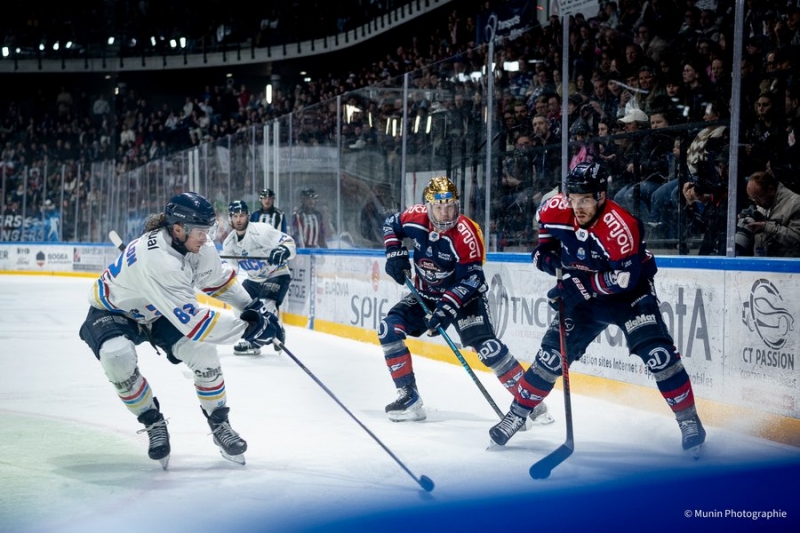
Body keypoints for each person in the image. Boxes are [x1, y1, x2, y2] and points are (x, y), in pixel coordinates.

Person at [489, 163, 706, 458]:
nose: (577, 207)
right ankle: (517, 414)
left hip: (629, 296)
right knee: (550, 357)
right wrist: (547, 259)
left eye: (586, 200)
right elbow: (543, 247)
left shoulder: (620, 226)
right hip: (585, 299)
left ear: (601, 196)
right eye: (573, 198)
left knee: (660, 356)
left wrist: (577, 287)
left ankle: (688, 420)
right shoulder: (555, 209)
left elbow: (624, 280)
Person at [78, 192, 282, 468]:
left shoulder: (198, 245)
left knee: (204, 353)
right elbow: (196, 322)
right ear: (177, 229)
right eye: (200, 231)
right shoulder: (158, 259)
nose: (206, 237)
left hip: (158, 308)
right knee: (117, 358)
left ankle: (220, 424)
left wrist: (255, 311)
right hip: (115, 310)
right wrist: (249, 329)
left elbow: (218, 282)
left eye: (208, 230)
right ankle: (152, 422)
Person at [379, 176, 553, 425]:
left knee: (487, 349)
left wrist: (445, 310)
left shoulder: (467, 233)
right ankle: (409, 397)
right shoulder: (415, 217)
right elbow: (390, 225)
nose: (445, 212)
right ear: (428, 206)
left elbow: (470, 279)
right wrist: (394, 253)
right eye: (438, 207)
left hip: (465, 299)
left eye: (450, 205)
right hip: (426, 295)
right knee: (388, 329)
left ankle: (531, 401)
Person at [223, 199, 296, 354]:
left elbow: (289, 242)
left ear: (247, 216)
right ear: (230, 218)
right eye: (235, 216)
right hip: (254, 279)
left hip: (276, 273)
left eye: (242, 215)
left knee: (266, 304)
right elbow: (231, 270)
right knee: (239, 307)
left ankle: (278, 329)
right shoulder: (229, 243)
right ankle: (253, 343)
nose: (238, 219)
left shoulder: (262, 230)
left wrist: (283, 250)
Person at [740, 171, 800, 257]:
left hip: (787, 266)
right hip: (761, 264)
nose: (756, 203)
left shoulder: (795, 204)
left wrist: (767, 227)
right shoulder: (762, 205)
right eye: (752, 199)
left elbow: (797, 238)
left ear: (770, 190)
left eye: (757, 198)